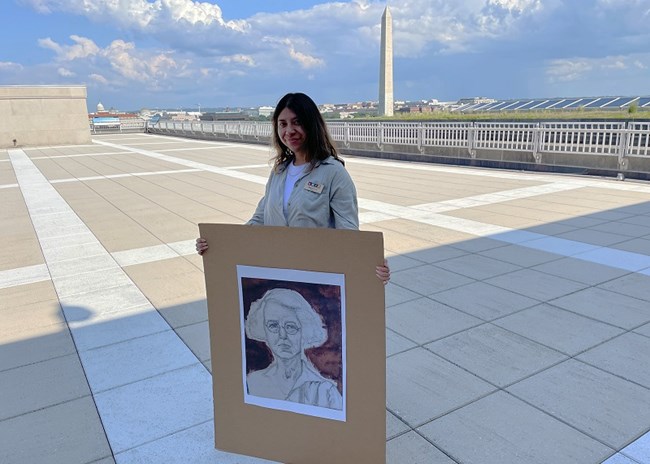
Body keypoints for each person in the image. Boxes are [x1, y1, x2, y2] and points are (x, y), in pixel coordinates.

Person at [196, 92, 390, 283]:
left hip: (318, 276)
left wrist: (369, 264)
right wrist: (218, 244)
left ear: (312, 125)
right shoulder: (279, 171)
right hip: (277, 273)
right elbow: (260, 219)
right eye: (283, 124)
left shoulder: (333, 172)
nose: (289, 131)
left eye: (297, 122)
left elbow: (348, 232)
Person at [244, 288, 342, 410]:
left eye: (290, 326)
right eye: (273, 325)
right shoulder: (253, 382)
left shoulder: (325, 392)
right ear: (264, 330)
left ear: (304, 330)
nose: (282, 335)